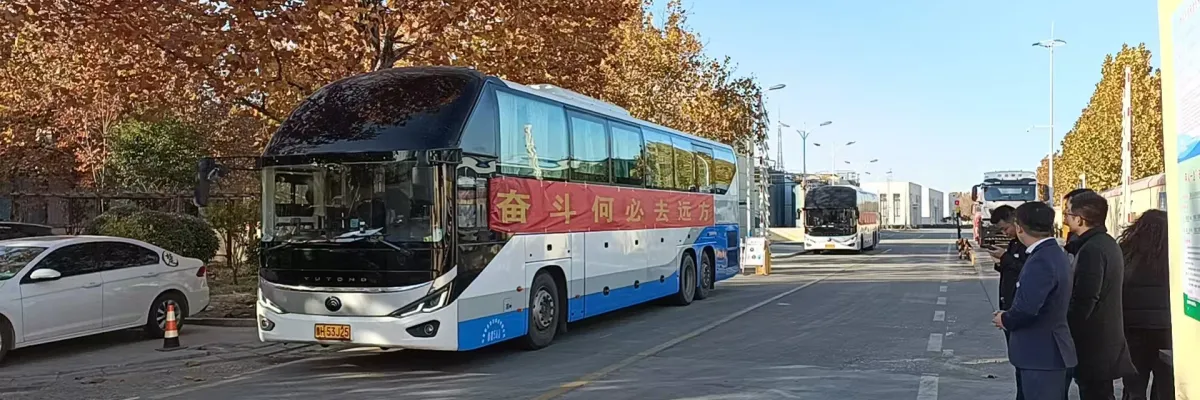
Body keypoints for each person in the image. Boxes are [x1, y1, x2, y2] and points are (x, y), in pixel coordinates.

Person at [994, 201, 1077, 400]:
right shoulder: (1052, 253)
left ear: (1020, 227)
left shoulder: (1040, 259)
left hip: (1041, 355)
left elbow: (1027, 308)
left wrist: (1004, 319)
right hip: (1048, 353)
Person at [1063, 191, 1135, 400]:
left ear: (1080, 219)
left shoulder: (1092, 250)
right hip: (1104, 338)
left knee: (1096, 393)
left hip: (1093, 341)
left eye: (1068, 213)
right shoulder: (1104, 242)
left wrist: (1067, 327)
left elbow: (1085, 299)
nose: (1065, 218)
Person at [1118, 210, 1174, 400]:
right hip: (1167, 330)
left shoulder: (1126, 251)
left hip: (1133, 329)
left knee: (1135, 383)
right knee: (1166, 384)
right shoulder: (1176, 253)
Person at [987, 204, 1028, 399]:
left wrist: (1006, 259)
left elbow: (1028, 272)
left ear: (1015, 221)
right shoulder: (1014, 243)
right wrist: (1001, 262)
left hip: (1019, 311)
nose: (1005, 232)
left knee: (1024, 363)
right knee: (1018, 361)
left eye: (1006, 228)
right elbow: (1012, 271)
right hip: (1009, 309)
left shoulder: (1028, 245)